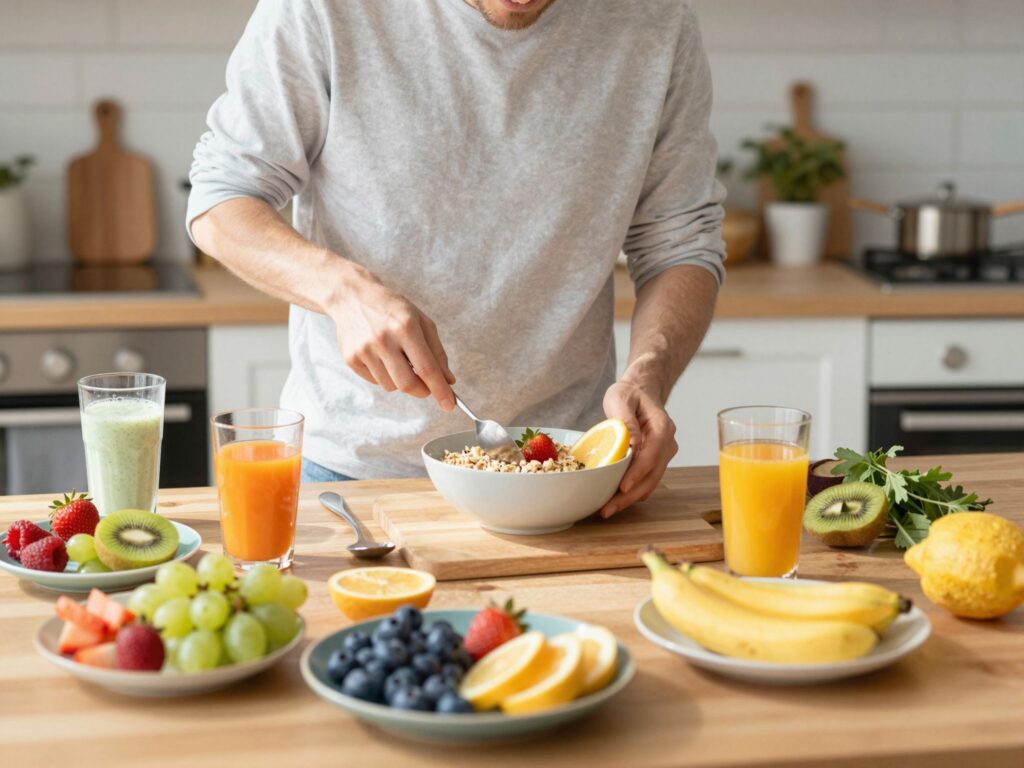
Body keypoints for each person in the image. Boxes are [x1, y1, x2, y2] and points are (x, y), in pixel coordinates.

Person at [188, 0, 725, 518]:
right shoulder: (322, 9)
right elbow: (220, 199)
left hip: (569, 469)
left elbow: (681, 242)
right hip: (355, 473)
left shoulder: (656, 22)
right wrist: (342, 291)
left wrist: (647, 374)